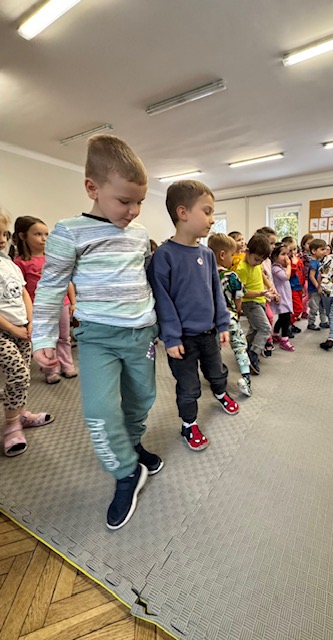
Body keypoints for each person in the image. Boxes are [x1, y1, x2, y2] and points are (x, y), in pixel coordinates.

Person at [32, 134, 162, 530]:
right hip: (98, 338)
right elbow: (51, 287)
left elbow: (145, 281)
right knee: (99, 412)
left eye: (140, 201)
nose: (133, 211)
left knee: (141, 400)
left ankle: (133, 445)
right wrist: (42, 337)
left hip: (142, 334)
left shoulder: (139, 235)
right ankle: (126, 471)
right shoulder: (69, 232)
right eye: (124, 201)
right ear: (92, 188)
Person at [147, 180, 239, 453]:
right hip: (182, 340)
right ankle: (189, 424)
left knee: (217, 371)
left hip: (209, 333)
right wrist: (171, 337)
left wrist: (222, 323)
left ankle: (220, 392)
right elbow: (162, 301)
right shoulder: (163, 256)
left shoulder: (207, 254)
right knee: (188, 386)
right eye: (207, 211)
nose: (212, 219)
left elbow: (216, 292)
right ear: (183, 212)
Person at [0, 209, 54, 458]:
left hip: (21, 327)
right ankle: (11, 426)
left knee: (22, 375)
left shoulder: (8, 264)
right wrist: (12, 329)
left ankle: (20, 413)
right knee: (18, 373)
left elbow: (23, 293)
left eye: (4, 234)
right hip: (4, 331)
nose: (2, 239)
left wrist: (31, 322)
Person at [13, 216, 77, 383]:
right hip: (39, 307)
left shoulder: (53, 257)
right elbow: (21, 290)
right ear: (23, 236)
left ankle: (67, 365)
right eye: (38, 234)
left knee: (64, 337)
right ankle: (50, 370)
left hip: (61, 304)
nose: (44, 238)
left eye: (46, 234)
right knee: (46, 340)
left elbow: (67, 281)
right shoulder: (20, 263)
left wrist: (73, 302)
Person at [208, 233, 252, 396]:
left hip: (211, 319)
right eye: (232, 255)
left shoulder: (205, 275)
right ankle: (246, 378)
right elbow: (239, 296)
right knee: (240, 346)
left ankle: (216, 376)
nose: (233, 258)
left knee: (215, 349)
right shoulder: (231, 275)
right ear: (222, 255)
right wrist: (237, 311)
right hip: (229, 316)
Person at [236, 233, 273, 375]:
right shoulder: (242, 269)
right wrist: (260, 293)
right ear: (247, 251)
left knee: (254, 329)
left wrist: (270, 287)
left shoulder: (256, 264)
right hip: (250, 303)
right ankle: (254, 353)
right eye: (257, 259)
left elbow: (261, 274)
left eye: (261, 260)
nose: (258, 263)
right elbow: (241, 292)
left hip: (260, 301)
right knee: (265, 328)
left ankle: (244, 351)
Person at [256, 226, 278, 357]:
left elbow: (269, 279)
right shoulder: (257, 261)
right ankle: (267, 340)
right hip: (259, 295)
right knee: (268, 318)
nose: (273, 247)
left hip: (268, 294)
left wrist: (274, 291)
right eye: (271, 243)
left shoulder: (268, 261)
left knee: (266, 319)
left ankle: (265, 339)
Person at [270, 243, 295, 351]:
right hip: (281, 297)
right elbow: (285, 277)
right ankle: (284, 339)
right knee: (286, 318)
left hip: (285, 296)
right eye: (283, 254)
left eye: (286, 254)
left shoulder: (280, 267)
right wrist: (289, 265)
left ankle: (275, 333)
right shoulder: (275, 268)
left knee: (283, 317)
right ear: (275, 256)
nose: (286, 257)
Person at [282, 236, 304, 334]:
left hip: (299, 287)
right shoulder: (286, 262)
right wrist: (293, 264)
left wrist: (303, 286)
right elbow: (289, 275)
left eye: (294, 249)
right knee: (297, 308)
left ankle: (290, 324)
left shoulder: (297, 259)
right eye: (290, 250)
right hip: (292, 288)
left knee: (297, 308)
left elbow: (301, 273)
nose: (293, 252)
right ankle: (288, 325)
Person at [307, 239, 329, 330]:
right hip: (314, 290)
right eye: (322, 249)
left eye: (325, 249)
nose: (325, 251)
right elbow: (311, 277)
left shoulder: (319, 262)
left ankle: (323, 321)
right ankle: (311, 323)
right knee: (314, 307)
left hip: (320, 289)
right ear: (314, 251)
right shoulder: (313, 263)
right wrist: (318, 287)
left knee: (322, 306)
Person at [299, 233, 314, 319]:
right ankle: (301, 310)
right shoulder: (302, 255)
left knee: (310, 295)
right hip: (305, 278)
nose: (310, 245)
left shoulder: (313, 255)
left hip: (312, 278)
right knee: (307, 295)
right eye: (308, 243)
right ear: (303, 245)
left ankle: (304, 311)